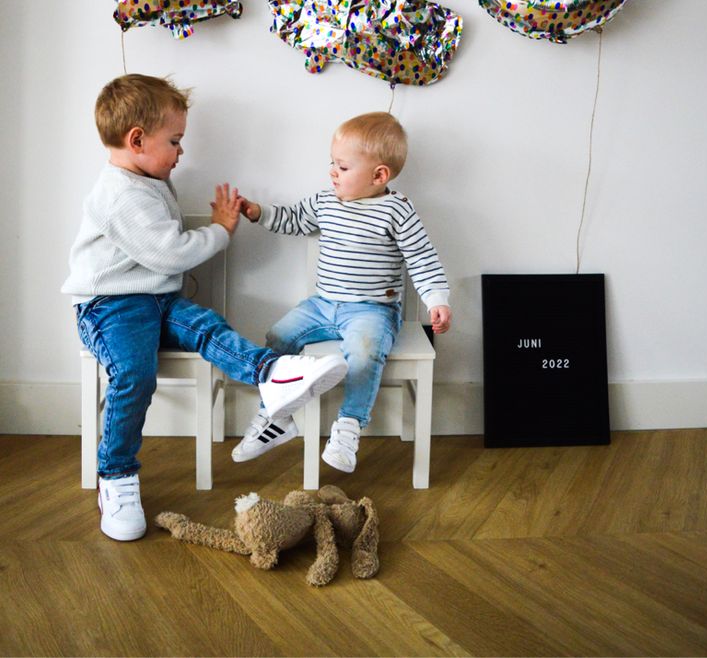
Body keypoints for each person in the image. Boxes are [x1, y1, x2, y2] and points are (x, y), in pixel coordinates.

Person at [62, 74, 346, 543]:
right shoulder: (119, 194)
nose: (180, 152)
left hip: (156, 298)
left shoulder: (146, 179)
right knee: (135, 373)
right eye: (174, 141)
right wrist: (220, 230)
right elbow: (170, 253)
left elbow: (162, 263)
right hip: (110, 306)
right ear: (137, 141)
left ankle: (273, 373)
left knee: (207, 327)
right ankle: (116, 476)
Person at [233, 111, 451, 473]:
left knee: (364, 355)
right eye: (332, 164)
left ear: (379, 175)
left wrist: (437, 299)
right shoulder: (326, 201)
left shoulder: (397, 210)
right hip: (322, 306)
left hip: (372, 310)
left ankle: (348, 428)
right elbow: (293, 219)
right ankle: (276, 417)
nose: (333, 172)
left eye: (343, 167)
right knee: (276, 337)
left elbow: (422, 258)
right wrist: (258, 212)